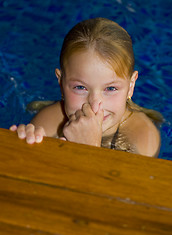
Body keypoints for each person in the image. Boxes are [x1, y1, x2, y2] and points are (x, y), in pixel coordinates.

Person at [10, 17, 163, 157]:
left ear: (131, 86)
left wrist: (89, 148)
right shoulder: (50, 121)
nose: (94, 104)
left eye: (110, 89)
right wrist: (24, 148)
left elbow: (125, 187)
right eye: (80, 87)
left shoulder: (143, 136)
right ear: (61, 83)